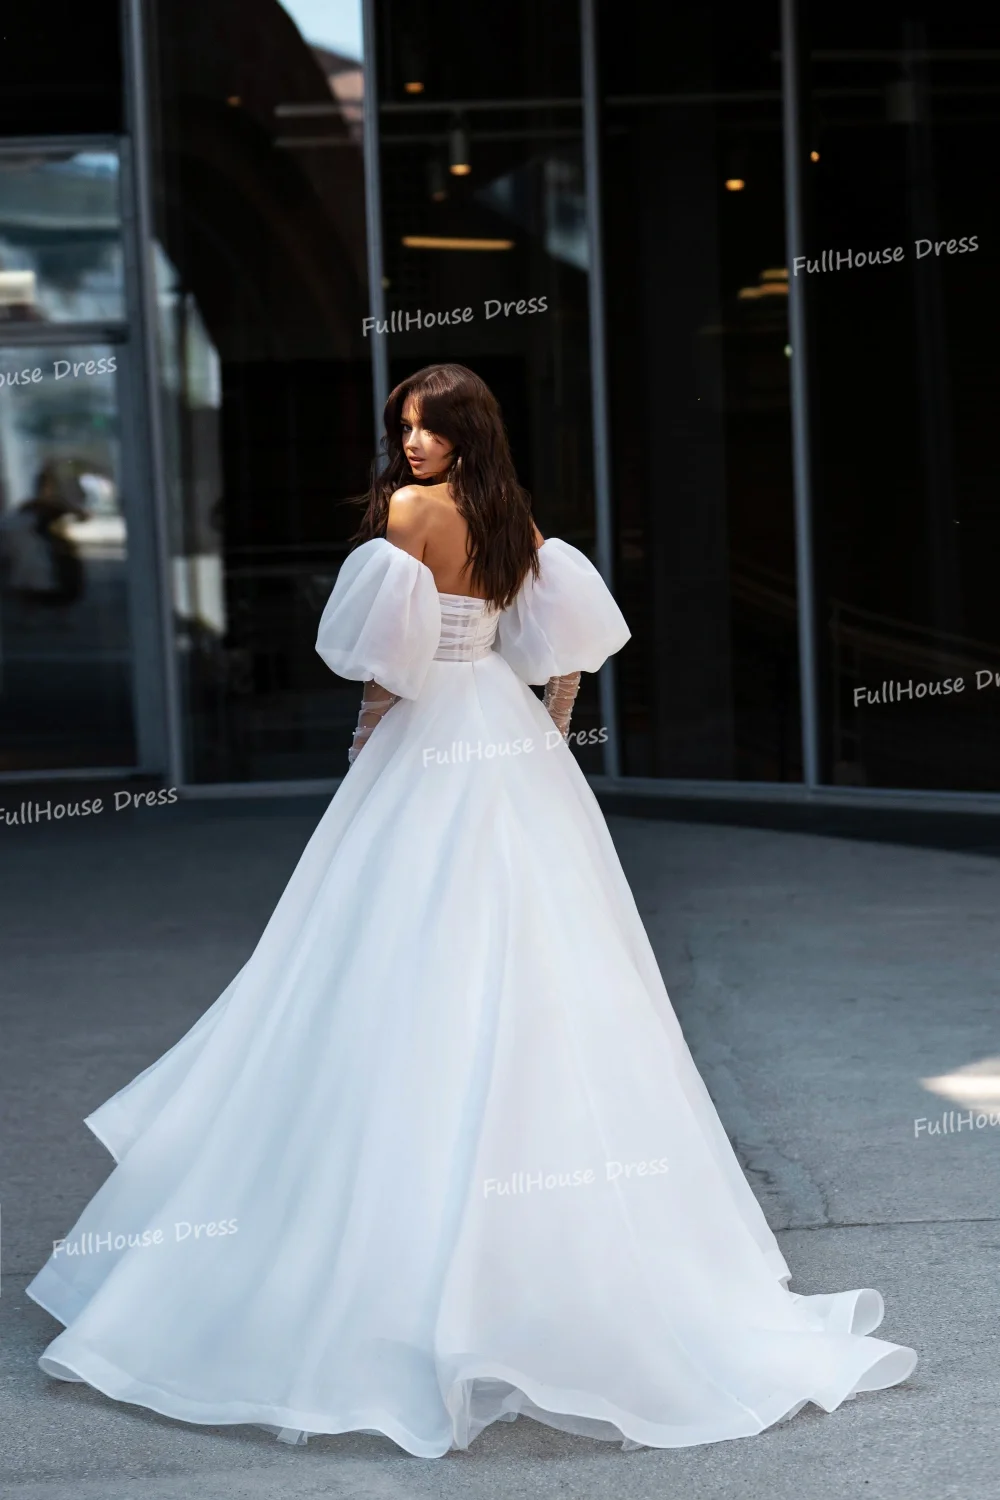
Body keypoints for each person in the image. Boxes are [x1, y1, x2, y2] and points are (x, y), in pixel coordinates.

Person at [26, 363, 916, 1457]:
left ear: (463, 437)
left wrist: (364, 746)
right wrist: (548, 731)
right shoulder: (516, 522)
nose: (411, 446)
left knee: (379, 957)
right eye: (405, 428)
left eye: (430, 429)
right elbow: (566, 652)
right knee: (547, 964)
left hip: (432, 738)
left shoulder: (406, 518)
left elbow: (387, 665)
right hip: (510, 745)